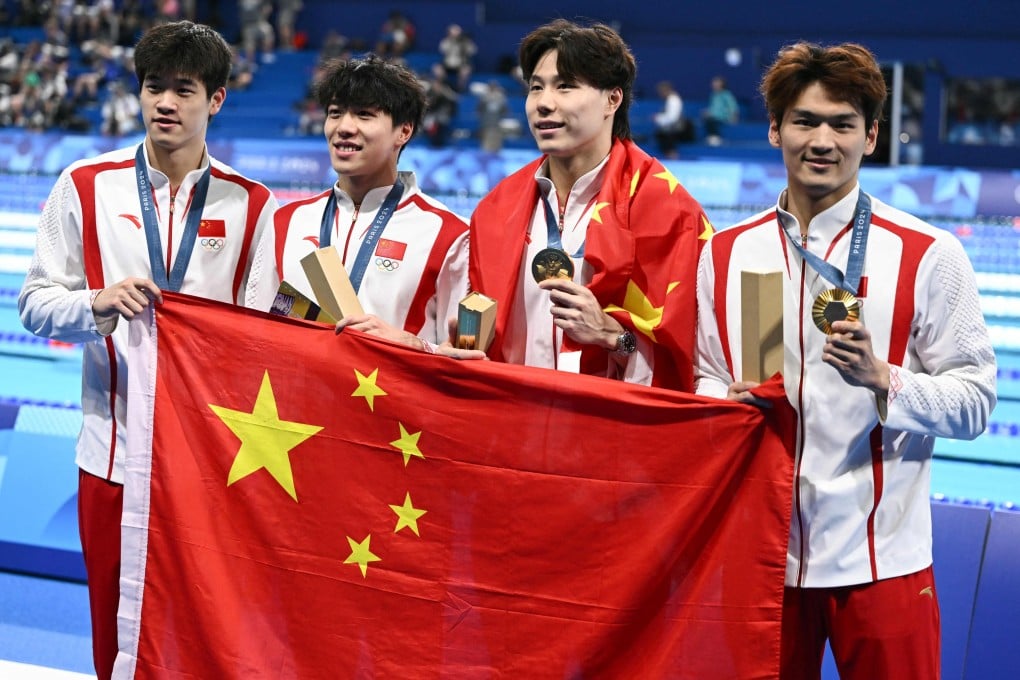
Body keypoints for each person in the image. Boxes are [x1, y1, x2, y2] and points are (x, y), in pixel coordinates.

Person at [694, 42, 996, 679]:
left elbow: (975, 403)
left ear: (871, 136)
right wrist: (723, 402)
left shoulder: (928, 254)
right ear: (775, 129)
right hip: (763, 558)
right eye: (805, 121)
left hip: (883, 562)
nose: (822, 141)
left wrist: (885, 380)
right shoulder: (727, 253)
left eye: (843, 124)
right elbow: (706, 377)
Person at [17, 20, 278, 680]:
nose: (165, 103)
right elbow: (33, 303)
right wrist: (95, 305)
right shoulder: (85, 184)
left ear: (216, 99)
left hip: (211, 465)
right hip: (112, 458)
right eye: (153, 87)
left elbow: (264, 337)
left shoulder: (253, 205)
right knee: (114, 633)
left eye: (183, 90)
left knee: (204, 634)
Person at [467, 19, 711, 390]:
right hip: (510, 415)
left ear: (613, 99)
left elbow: (696, 364)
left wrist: (614, 336)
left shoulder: (672, 215)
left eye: (565, 86)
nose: (544, 103)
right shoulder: (494, 211)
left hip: (608, 420)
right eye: (536, 87)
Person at [247, 55, 476, 357]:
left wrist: (417, 345)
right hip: (296, 387)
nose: (344, 127)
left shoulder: (450, 234)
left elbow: (463, 356)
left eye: (364, 115)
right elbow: (255, 333)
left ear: (404, 131)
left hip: (394, 388)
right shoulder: (287, 221)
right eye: (335, 113)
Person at [652, 80, 690, 159]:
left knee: (665, 133)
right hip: (672, 126)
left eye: (661, 92)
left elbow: (672, 118)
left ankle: (672, 153)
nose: (660, 94)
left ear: (665, 90)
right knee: (660, 134)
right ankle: (669, 153)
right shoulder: (669, 99)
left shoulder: (673, 100)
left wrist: (658, 118)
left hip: (678, 128)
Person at [701, 75, 739, 145]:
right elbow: (713, 107)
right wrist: (707, 112)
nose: (715, 85)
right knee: (707, 119)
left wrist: (734, 117)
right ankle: (711, 137)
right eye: (714, 83)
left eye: (717, 83)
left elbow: (732, 106)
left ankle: (716, 137)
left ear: (722, 84)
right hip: (713, 116)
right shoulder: (713, 95)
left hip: (723, 117)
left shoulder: (726, 94)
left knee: (711, 121)